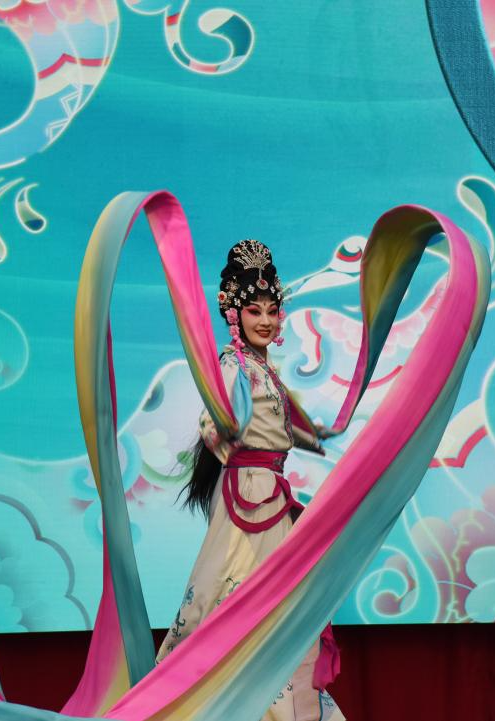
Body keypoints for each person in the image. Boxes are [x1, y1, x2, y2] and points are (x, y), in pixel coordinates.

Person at [156, 239, 344, 721]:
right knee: (239, 598)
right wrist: (228, 425)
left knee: (279, 603)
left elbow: (288, 425)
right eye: (253, 310)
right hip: (249, 498)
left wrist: (322, 436)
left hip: (269, 496)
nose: (265, 320)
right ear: (233, 314)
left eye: (271, 311)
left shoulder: (262, 369)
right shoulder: (232, 366)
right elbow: (213, 422)